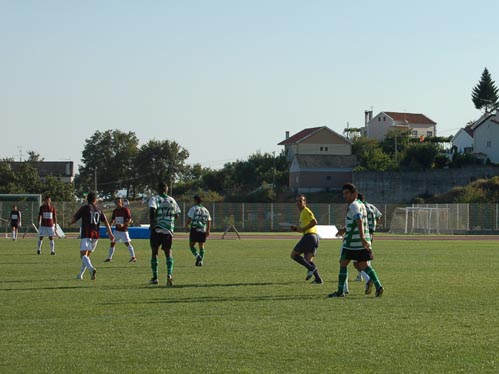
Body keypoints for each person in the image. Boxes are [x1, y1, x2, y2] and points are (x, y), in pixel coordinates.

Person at [329, 183, 384, 298]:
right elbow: (357, 222)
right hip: (362, 242)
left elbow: (358, 220)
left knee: (343, 263)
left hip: (351, 243)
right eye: (343, 193)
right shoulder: (361, 204)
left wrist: (362, 237)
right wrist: (346, 230)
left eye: (347, 193)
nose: (345, 196)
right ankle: (378, 286)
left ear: (355, 194)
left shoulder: (353, 205)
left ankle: (340, 292)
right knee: (364, 265)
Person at [71, 192, 114, 280]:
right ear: (95, 200)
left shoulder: (84, 208)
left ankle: (91, 269)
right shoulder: (99, 210)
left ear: (87, 199)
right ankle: (80, 275)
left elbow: (75, 218)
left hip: (86, 234)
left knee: (83, 256)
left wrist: (70, 223)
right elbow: (106, 222)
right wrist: (110, 234)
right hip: (96, 235)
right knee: (87, 256)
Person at [148, 182, 181, 286]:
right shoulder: (172, 200)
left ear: (158, 189)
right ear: (166, 189)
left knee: (155, 252)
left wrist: (153, 223)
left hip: (157, 228)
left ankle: (155, 277)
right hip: (168, 230)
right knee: (168, 252)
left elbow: (152, 210)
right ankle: (169, 274)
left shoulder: (155, 199)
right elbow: (177, 215)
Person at [290, 194, 323, 285]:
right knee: (308, 261)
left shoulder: (306, 211)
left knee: (294, 255)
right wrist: (296, 229)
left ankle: (311, 269)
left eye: (301, 201)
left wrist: (303, 229)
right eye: (297, 201)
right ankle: (318, 279)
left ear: (305, 202)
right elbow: (303, 229)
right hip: (313, 237)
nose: (298, 203)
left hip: (309, 237)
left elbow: (314, 222)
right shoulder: (302, 213)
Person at [104, 197, 136, 263]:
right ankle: (109, 258)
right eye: (116, 202)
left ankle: (133, 257)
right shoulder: (115, 211)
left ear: (122, 202)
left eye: (119, 201)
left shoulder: (125, 210)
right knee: (112, 243)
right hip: (116, 230)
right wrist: (109, 228)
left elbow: (130, 220)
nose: (118, 203)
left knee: (127, 243)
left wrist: (123, 224)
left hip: (124, 230)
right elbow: (112, 220)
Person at [185, 195, 212, 266]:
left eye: (193, 200)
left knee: (191, 245)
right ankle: (201, 261)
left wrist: (186, 226)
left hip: (195, 229)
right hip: (203, 229)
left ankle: (198, 256)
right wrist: (208, 230)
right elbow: (209, 221)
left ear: (196, 201)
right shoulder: (206, 210)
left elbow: (189, 218)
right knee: (201, 246)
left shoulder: (193, 208)